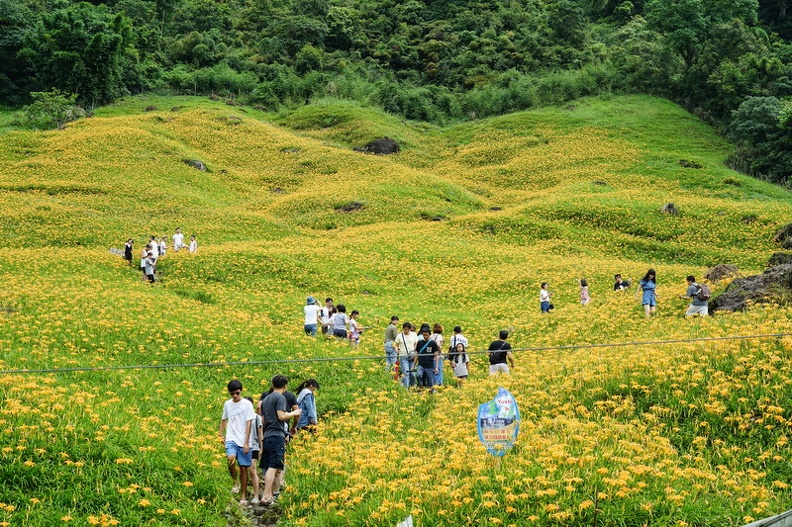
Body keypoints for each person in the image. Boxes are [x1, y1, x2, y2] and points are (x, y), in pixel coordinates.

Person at [259, 375, 301, 505]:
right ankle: (266, 496)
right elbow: (281, 416)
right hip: (277, 435)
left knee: (271, 467)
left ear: (272, 384)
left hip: (267, 435)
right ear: (285, 386)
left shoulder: (266, 399)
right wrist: (294, 413)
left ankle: (271, 495)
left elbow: (262, 420)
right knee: (274, 466)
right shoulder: (280, 397)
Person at [219, 380, 256, 504]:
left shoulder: (247, 404)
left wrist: (246, 442)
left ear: (241, 391)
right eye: (232, 393)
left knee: (243, 468)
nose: (234, 396)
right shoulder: (227, 404)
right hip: (231, 437)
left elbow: (249, 422)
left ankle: (244, 495)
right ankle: (235, 481)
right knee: (230, 458)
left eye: (237, 393)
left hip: (244, 440)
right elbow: (223, 419)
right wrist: (220, 434)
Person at [244, 396, 262, 504]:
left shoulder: (257, 417)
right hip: (242, 446)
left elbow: (260, 434)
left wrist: (261, 447)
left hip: (254, 446)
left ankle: (256, 495)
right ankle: (244, 495)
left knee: (252, 470)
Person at [415, 324, 441, 392]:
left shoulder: (433, 343)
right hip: (421, 364)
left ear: (429, 335)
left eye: (426, 335)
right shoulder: (420, 343)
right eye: (424, 335)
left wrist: (436, 367)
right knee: (418, 375)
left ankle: (431, 392)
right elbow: (417, 354)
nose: (425, 337)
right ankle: (421, 386)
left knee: (430, 382)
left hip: (429, 366)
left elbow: (436, 355)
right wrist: (413, 365)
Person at [393, 322, 418, 389]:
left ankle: (412, 387)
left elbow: (416, 343)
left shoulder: (414, 335)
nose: (406, 331)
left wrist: (414, 351)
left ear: (410, 329)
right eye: (405, 329)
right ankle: (406, 388)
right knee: (406, 372)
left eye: (407, 329)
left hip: (412, 356)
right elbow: (396, 344)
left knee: (412, 373)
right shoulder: (399, 335)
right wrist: (396, 349)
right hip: (403, 356)